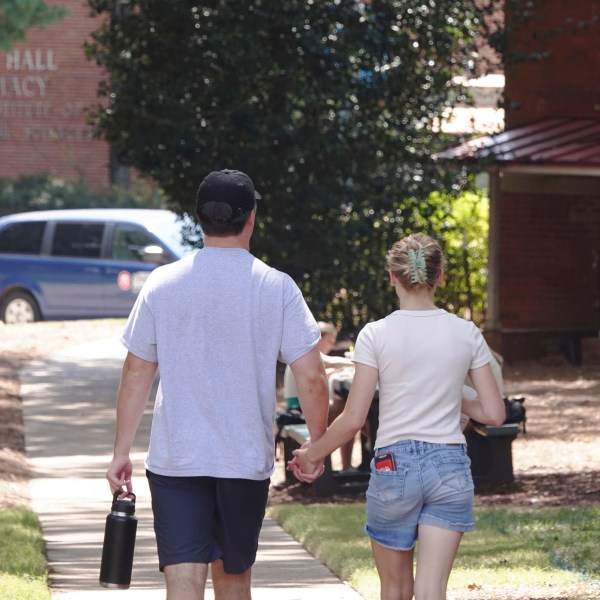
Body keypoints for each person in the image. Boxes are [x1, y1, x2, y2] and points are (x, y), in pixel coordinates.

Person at [105, 169, 329, 600]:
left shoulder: (162, 284)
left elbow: (136, 372)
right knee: (233, 581)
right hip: (243, 460)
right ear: (251, 218)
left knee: (182, 580)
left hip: (176, 460)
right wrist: (314, 445)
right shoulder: (276, 287)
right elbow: (314, 379)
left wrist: (121, 452)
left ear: (198, 218)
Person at [290, 232, 505, 600]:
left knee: (394, 588)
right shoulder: (466, 332)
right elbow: (494, 413)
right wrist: (452, 392)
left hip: (394, 466)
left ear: (392, 276)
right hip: (449, 464)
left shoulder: (376, 334)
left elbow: (354, 418)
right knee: (432, 588)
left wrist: (312, 453)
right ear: (440, 277)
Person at [282, 321, 356, 469]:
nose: (333, 346)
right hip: (299, 410)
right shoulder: (307, 353)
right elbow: (333, 363)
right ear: (319, 338)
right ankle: (349, 464)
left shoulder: (302, 355)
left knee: (349, 411)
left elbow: (324, 372)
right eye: (331, 341)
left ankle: (351, 463)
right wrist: (358, 362)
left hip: (298, 407)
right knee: (348, 412)